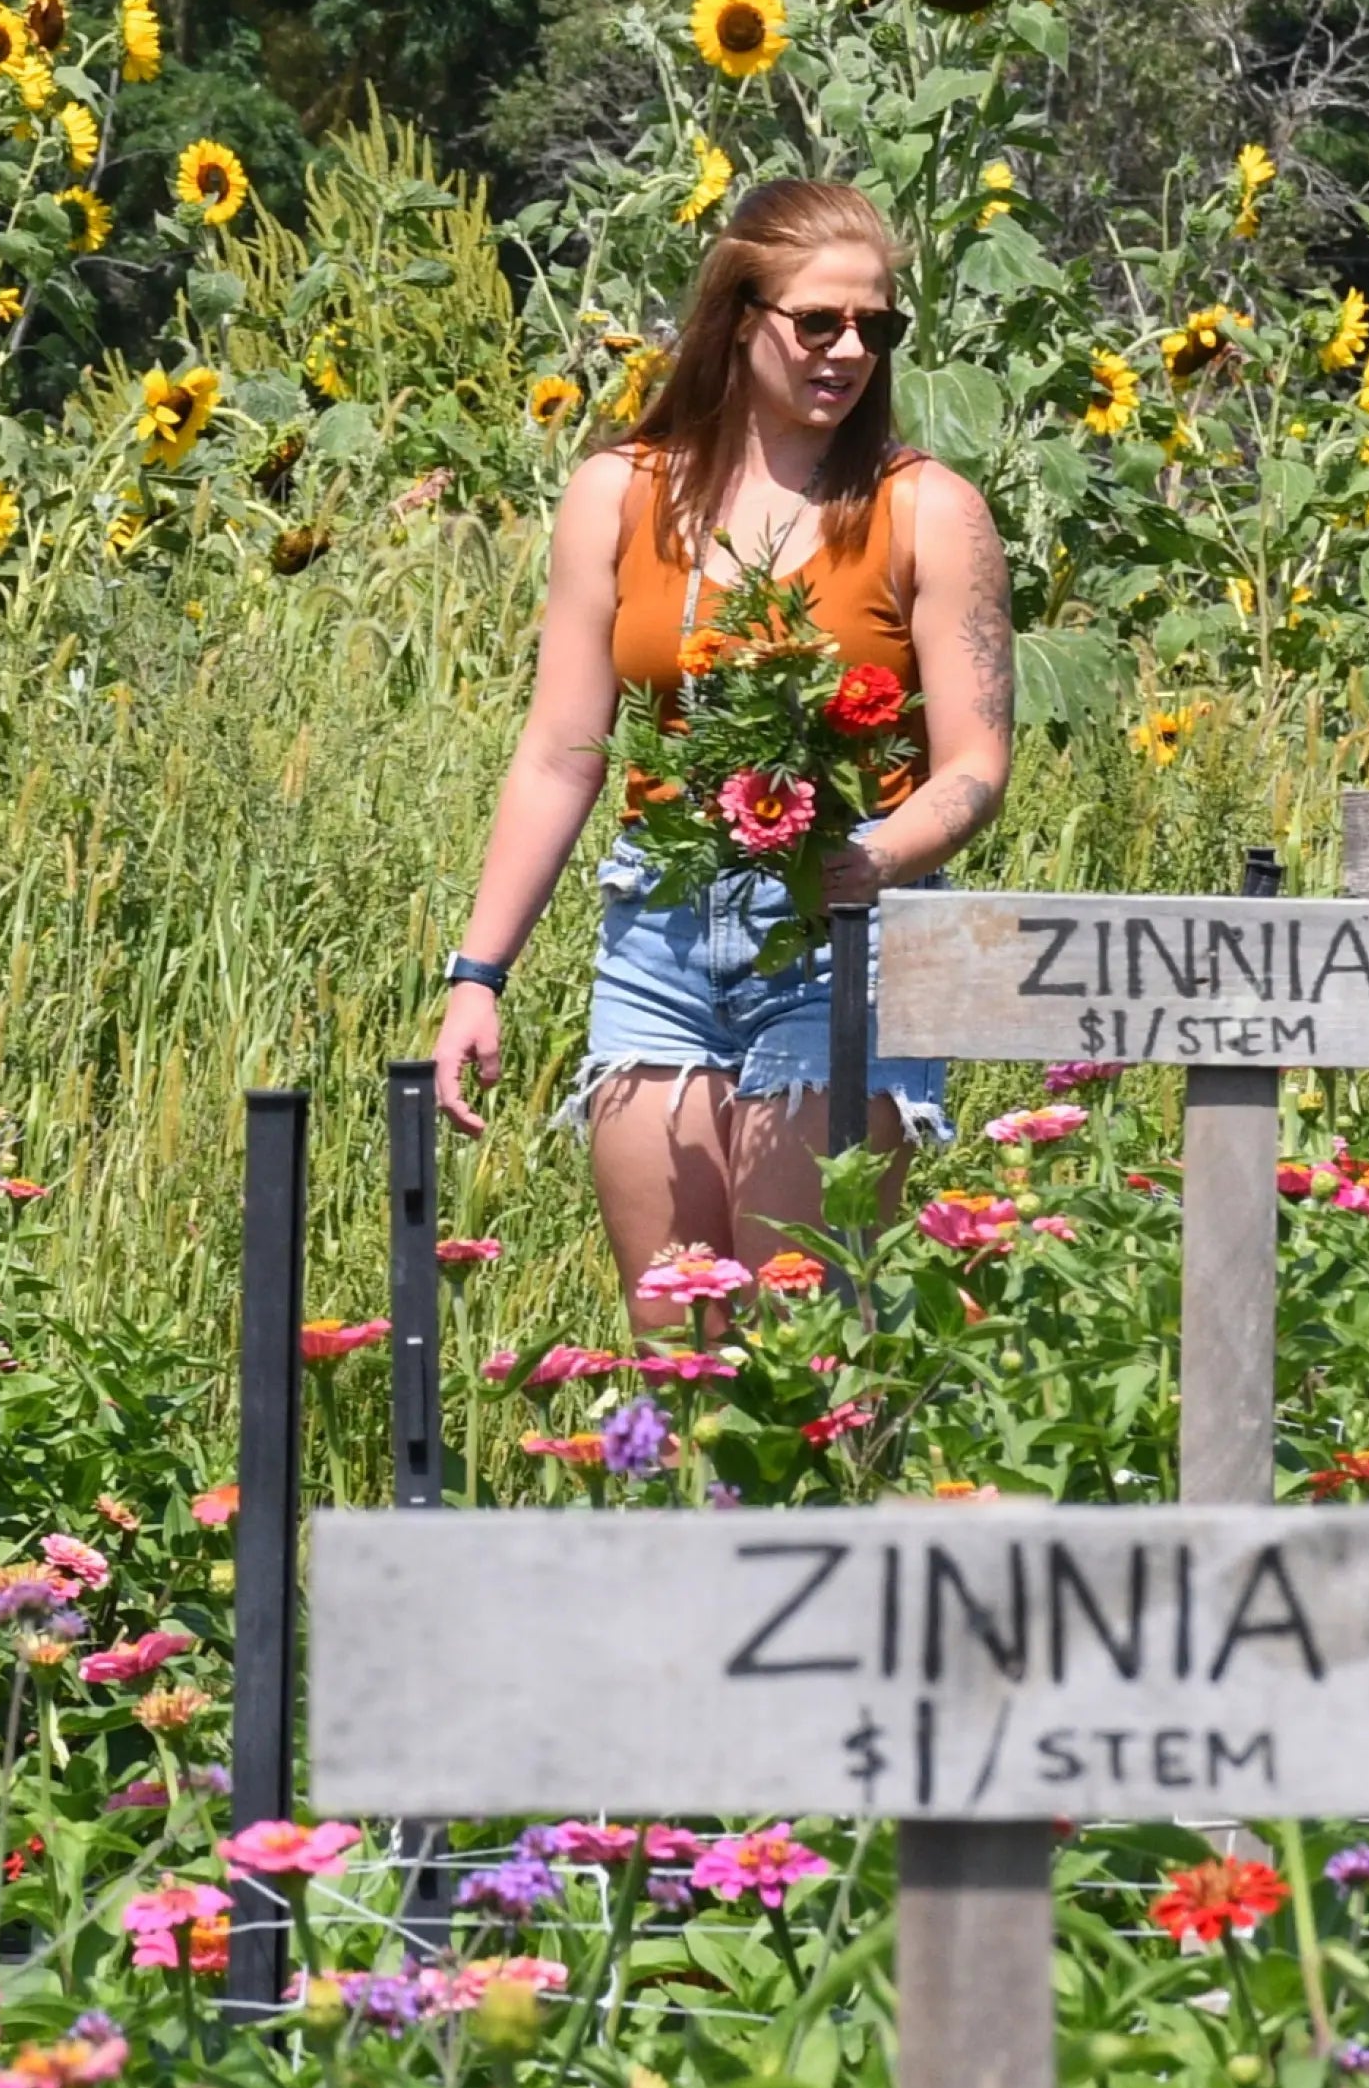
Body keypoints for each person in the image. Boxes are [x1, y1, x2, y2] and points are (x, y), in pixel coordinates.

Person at [430, 175, 1013, 1302]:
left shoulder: (929, 509)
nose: (848, 350)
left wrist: (875, 858)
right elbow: (562, 749)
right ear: (738, 320)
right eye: (818, 322)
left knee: (801, 1335)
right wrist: (477, 975)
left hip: (846, 935)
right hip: (655, 930)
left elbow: (976, 766)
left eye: (875, 326)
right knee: (679, 1337)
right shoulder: (618, 493)